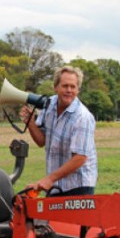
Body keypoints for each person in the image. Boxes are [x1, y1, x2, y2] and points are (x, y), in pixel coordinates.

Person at [21, 65, 97, 196]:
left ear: (78, 90)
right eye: (65, 86)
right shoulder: (49, 105)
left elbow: (80, 157)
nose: (69, 90)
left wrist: (49, 179)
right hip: (56, 184)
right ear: (56, 87)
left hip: (78, 186)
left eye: (73, 87)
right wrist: (30, 123)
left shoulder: (82, 117)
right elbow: (41, 141)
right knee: (51, 217)